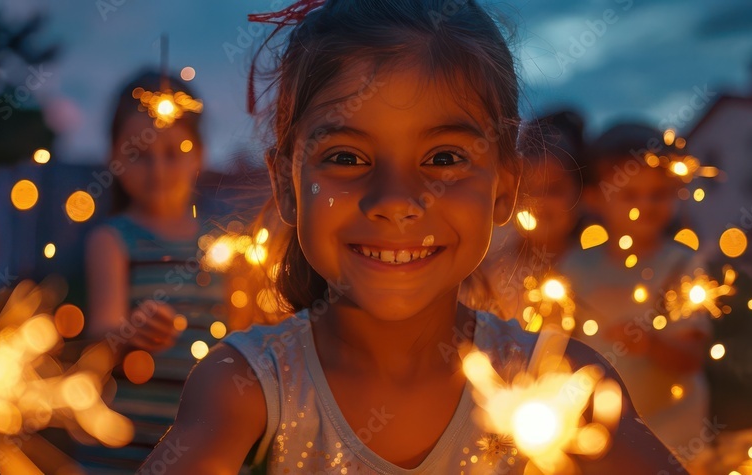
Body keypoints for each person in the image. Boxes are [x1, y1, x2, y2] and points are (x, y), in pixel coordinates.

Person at [143, 1, 678, 473]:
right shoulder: (247, 389)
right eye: (347, 158)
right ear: (288, 185)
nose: (396, 200)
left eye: (444, 158)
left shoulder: (563, 386)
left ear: (504, 188)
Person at [79, 69, 230, 473]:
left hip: (202, 454)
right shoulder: (111, 241)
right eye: (139, 154)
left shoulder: (224, 250)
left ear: (200, 154)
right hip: (119, 451)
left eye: (174, 152)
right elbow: (100, 341)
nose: (158, 170)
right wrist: (130, 334)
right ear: (113, 156)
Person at [557, 123, 713, 465]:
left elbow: (692, 356)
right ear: (596, 198)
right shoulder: (575, 266)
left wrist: (651, 344)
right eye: (629, 194)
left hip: (674, 434)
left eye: (658, 193)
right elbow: (556, 343)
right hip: (602, 432)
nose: (645, 204)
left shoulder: (680, 266)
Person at [461, 111, 585, 326]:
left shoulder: (595, 267)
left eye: (554, 189)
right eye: (528, 190)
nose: (539, 201)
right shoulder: (493, 273)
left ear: (581, 193)